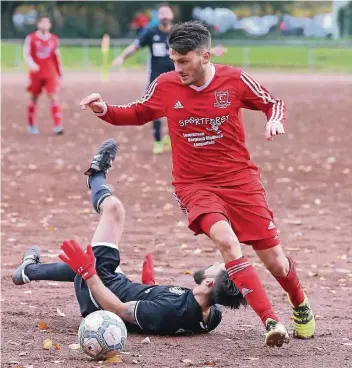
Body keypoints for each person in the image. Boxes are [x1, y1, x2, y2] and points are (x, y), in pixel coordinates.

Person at [80, 21, 316, 347]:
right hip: (194, 185)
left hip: (239, 182)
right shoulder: (166, 85)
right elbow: (138, 112)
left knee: (274, 260)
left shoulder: (233, 80)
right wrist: (104, 109)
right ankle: (270, 322)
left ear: (205, 56)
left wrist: (275, 119)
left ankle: (299, 303)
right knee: (227, 242)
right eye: (174, 60)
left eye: (184, 61)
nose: (177, 68)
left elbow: (272, 102)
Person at [12, 139, 246, 335]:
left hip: (101, 296)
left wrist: (90, 275)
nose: (216, 262)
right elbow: (167, 317)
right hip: (117, 285)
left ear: (209, 282)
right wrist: (150, 287)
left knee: (113, 210)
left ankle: (95, 175)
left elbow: (119, 311)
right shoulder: (211, 316)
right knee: (105, 262)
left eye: (218, 266)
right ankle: (28, 271)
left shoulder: (172, 309)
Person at [112, 4, 226, 154]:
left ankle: (178, 138)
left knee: (184, 107)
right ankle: (158, 141)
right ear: (158, 17)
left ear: (172, 16)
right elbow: (135, 46)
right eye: (161, 13)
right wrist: (122, 57)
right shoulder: (151, 32)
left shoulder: (178, 33)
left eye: (167, 13)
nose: (164, 16)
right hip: (157, 79)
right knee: (153, 109)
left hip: (179, 78)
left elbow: (194, 48)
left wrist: (212, 51)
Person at [24, 14, 63, 135]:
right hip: (36, 74)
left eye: (47, 22)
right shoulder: (31, 38)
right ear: (38, 24)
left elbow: (57, 57)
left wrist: (59, 73)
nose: (45, 25)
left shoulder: (54, 39)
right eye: (43, 22)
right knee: (34, 98)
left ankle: (58, 126)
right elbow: (27, 54)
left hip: (49, 73)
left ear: (50, 25)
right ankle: (31, 125)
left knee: (53, 97)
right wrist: (32, 65)